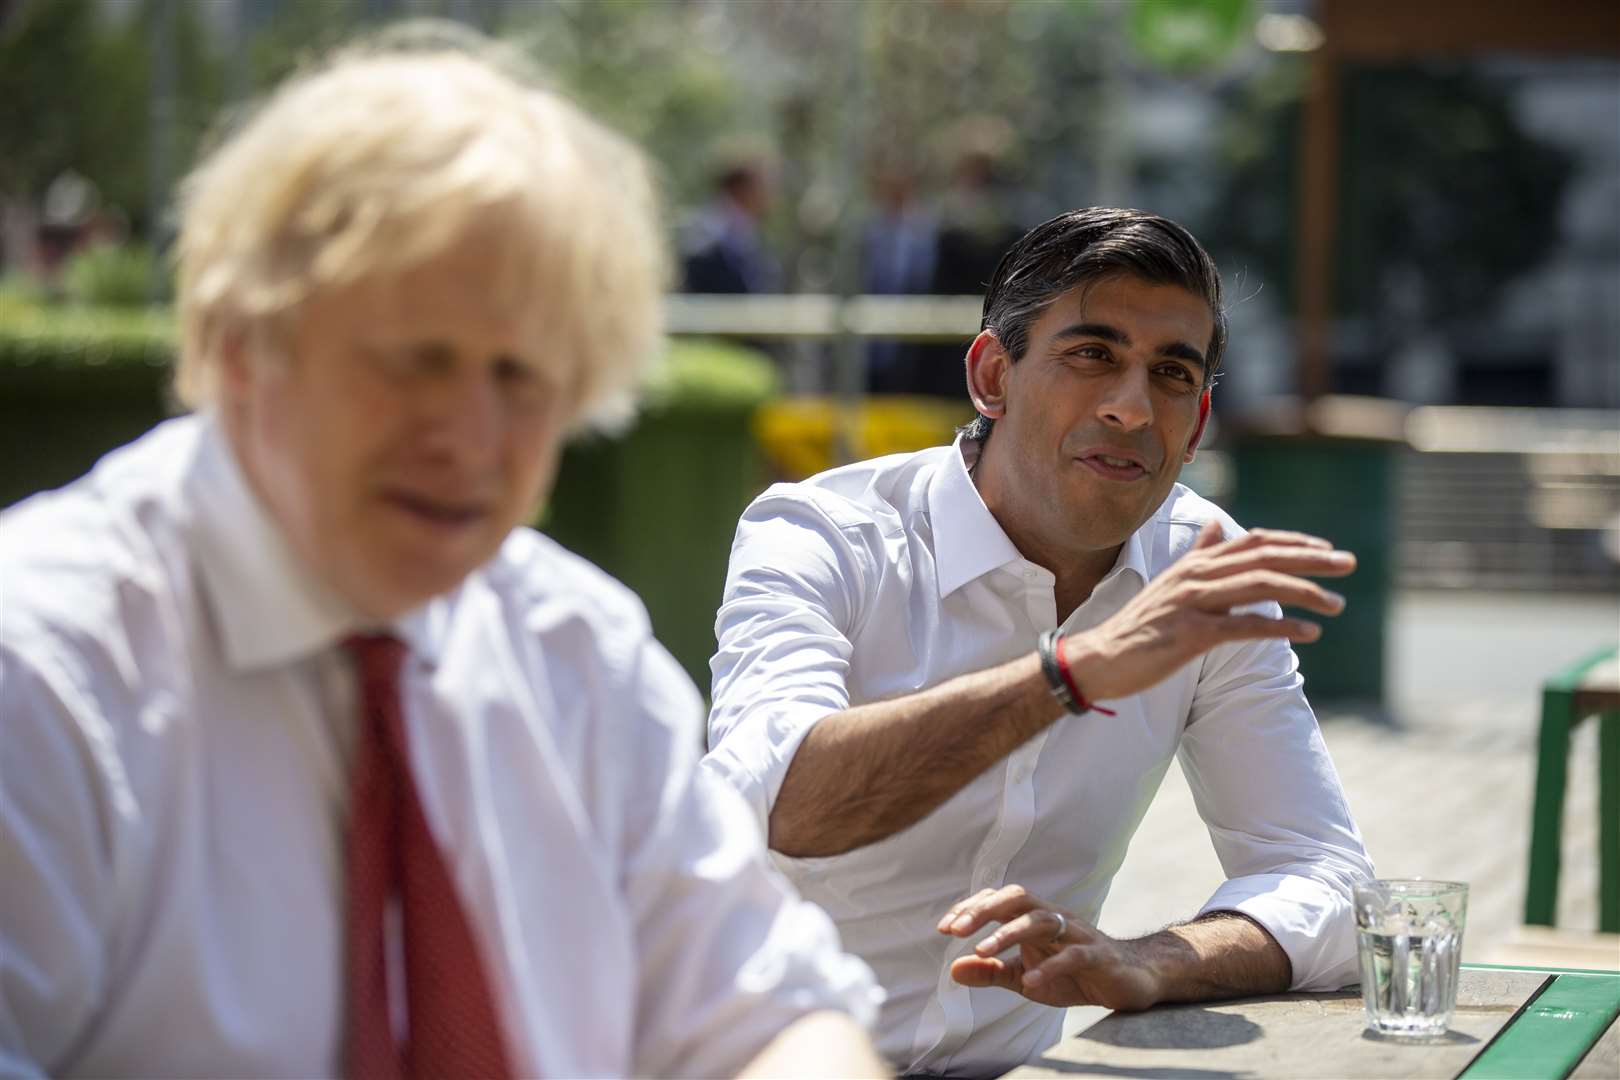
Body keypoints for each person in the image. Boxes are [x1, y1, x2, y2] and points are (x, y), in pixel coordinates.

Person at [0, 37, 888, 1078]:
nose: (470, 436)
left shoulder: (578, 657)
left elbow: (773, 1018)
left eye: (522, 378)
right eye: (415, 362)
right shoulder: (43, 680)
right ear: (245, 345)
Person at [703, 207, 1375, 1077]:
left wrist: (1149, 962)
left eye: (1170, 374)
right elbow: (782, 805)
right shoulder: (820, 534)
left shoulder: (1203, 567)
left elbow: (1327, 881)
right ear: (993, 375)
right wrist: (1070, 673)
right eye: (1092, 355)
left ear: (1197, 423)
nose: (1132, 408)